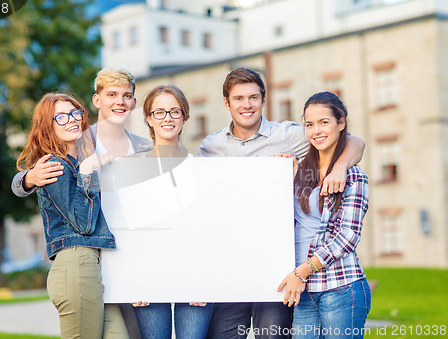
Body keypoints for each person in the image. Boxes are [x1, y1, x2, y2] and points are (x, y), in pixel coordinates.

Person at [198, 68, 366, 339]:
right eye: (238, 98)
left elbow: (351, 141)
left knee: (273, 336)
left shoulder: (290, 135)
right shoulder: (211, 146)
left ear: (264, 99)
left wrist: (340, 168)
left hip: (278, 266)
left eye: (253, 97)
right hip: (232, 264)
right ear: (227, 103)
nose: (247, 105)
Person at [11, 69, 153, 339]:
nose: (119, 102)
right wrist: (27, 179)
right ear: (97, 100)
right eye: (111, 95)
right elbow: (44, 184)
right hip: (80, 257)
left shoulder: (144, 147)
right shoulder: (80, 143)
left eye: (75, 113)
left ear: (134, 102)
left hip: (116, 259)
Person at [16, 92, 117, 338]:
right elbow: (82, 223)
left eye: (75, 113)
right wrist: (87, 171)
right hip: (76, 262)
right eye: (60, 117)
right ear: (46, 126)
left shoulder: (81, 157)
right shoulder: (55, 165)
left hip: (102, 264)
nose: (71, 120)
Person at [277, 92, 371, 338]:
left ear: (341, 123)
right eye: (309, 124)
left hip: (340, 288)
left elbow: (347, 236)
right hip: (304, 291)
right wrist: (280, 178)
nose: (316, 130)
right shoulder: (301, 172)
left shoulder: (353, 176)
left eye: (324, 122)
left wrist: (301, 272)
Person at [131, 84, 214, 339]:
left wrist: (205, 280)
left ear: (184, 117)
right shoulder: (132, 168)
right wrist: (131, 280)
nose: (167, 118)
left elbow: (210, 228)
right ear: (148, 118)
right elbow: (127, 230)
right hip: (148, 279)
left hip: (194, 278)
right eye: (159, 112)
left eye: (174, 112)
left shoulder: (202, 168)